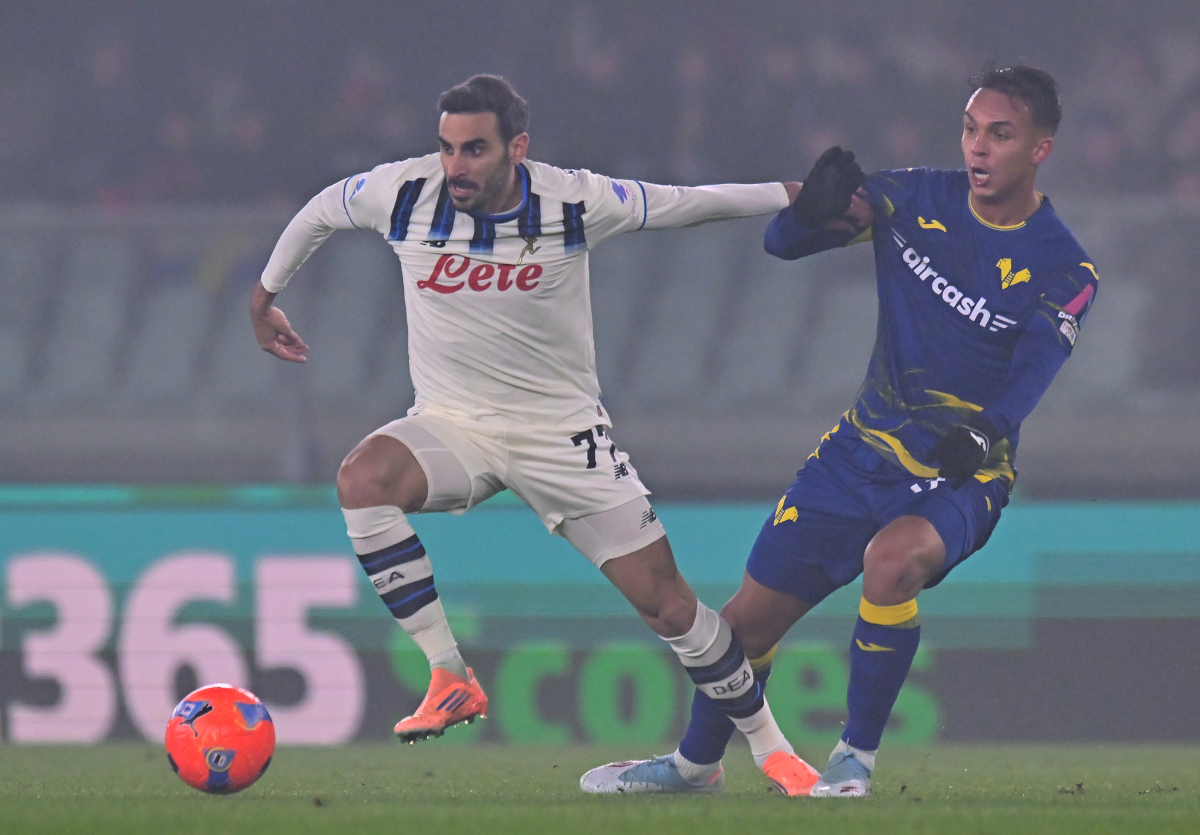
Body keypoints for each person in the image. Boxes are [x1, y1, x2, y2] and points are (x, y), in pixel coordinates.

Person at [251, 74, 821, 794]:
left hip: (562, 435)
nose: (456, 166)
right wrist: (265, 296)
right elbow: (320, 210)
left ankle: (772, 750)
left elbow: (686, 204)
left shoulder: (572, 202)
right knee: (362, 479)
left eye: (475, 149)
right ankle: (450, 675)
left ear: (516, 148)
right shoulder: (402, 193)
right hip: (453, 423)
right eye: (447, 147)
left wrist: (792, 194)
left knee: (669, 605)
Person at [581, 64, 1098, 797]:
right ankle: (695, 767)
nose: (978, 147)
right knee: (743, 627)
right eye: (970, 129)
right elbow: (782, 245)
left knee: (892, 562)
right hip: (858, 452)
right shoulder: (913, 195)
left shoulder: (1066, 266)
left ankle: (853, 760)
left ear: (1040, 148)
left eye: (1000, 134)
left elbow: (1035, 367)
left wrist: (987, 432)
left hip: (960, 469)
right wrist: (807, 213)